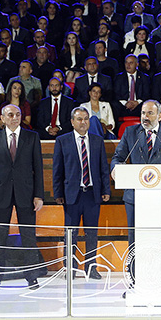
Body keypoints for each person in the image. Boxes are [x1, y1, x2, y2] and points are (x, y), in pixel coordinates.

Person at [109, 100, 161, 290]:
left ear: (160, 116)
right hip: (135, 198)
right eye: (143, 113)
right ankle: (134, 283)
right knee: (135, 240)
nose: (145, 117)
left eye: (150, 113)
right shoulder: (131, 133)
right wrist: (115, 169)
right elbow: (118, 158)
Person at [0, 104, 44, 290]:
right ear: (2, 118)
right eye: (10, 115)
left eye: (18, 114)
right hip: (0, 194)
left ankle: (32, 277)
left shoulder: (32, 137)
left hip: (26, 193)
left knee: (28, 237)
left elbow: (38, 169)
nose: (15, 117)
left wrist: (38, 195)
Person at [52, 106, 111, 279]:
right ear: (72, 122)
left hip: (92, 194)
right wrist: (58, 193)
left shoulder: (97, 140)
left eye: (86, 119)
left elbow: (103, 168)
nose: (83, 122)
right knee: (70, 233)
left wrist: (106, 189)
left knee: (92, 233)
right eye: (79, 119)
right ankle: (70, 267)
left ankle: (91, 267)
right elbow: (58, 169)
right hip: (72, 195)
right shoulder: (63, 141)